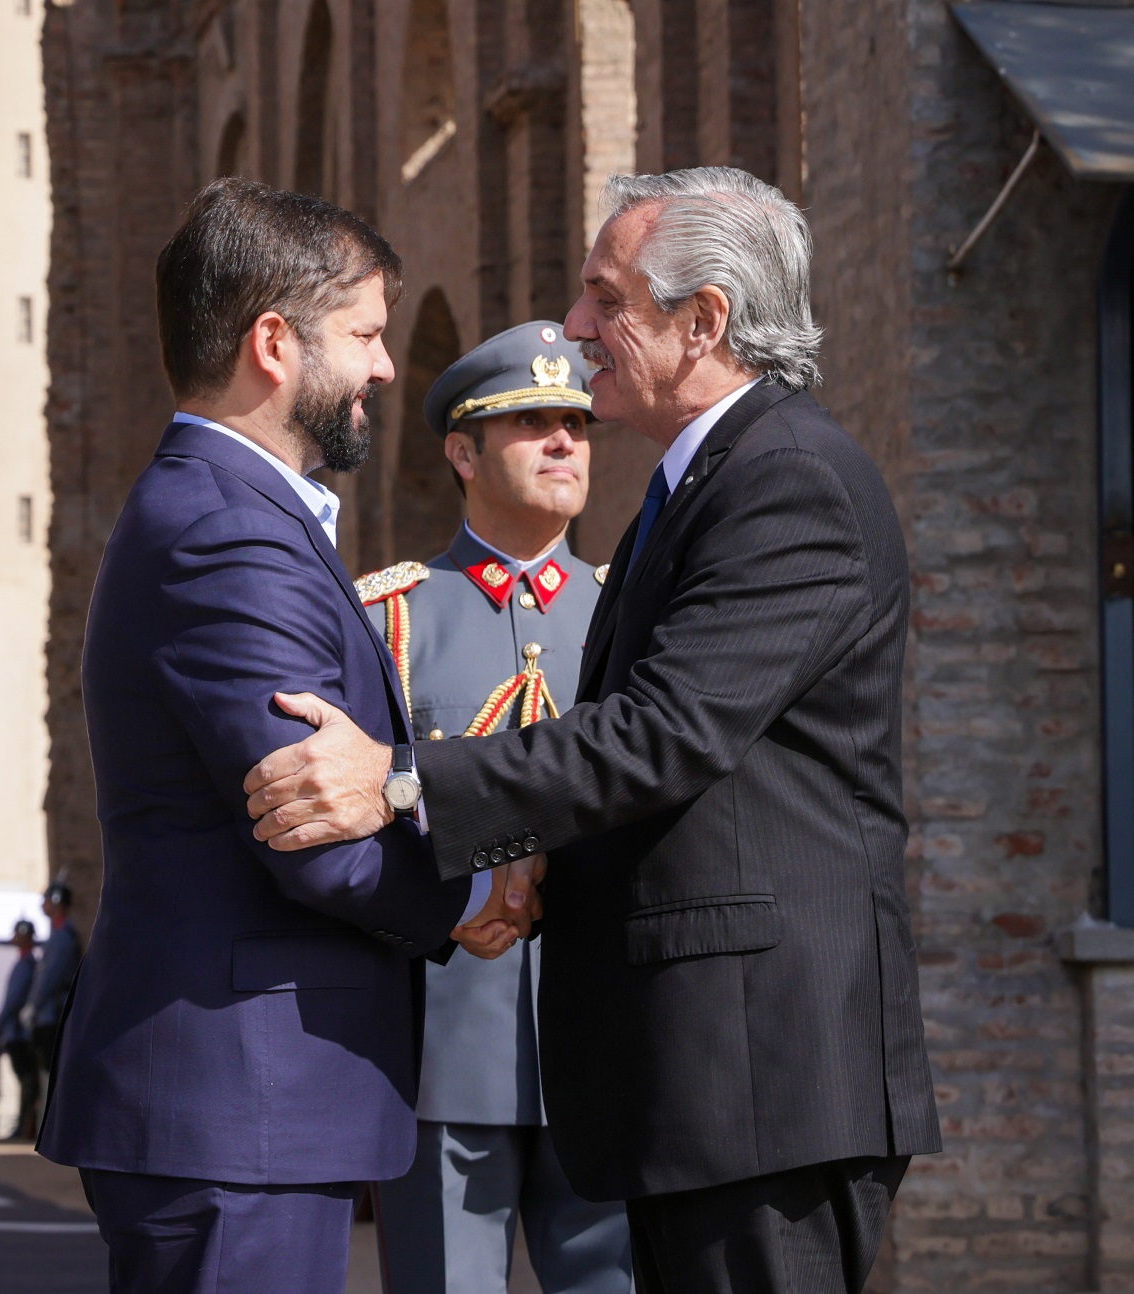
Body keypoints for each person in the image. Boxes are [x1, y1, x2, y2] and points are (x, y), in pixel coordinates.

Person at [244, 166, 941, 1294]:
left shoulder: (786, 481)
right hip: (692, 1076)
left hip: (759, 1080)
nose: (573, 328)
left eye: (602, 298)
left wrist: (403, 783)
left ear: (703, 320)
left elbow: (661, 734)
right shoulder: (706, 481)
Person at [35, 177, 531, 1294]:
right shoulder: (227, 533)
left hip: (241, 1106)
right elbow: (311, 820)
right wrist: (468, 900)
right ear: (274, 342)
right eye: (363, 333)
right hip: (237, 1104)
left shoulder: (230, 514)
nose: (385, 367)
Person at [357, 323, 631, 1294]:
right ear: (461, 451)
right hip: (441, 1046)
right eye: (530, 423)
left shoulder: (625, 615)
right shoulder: (388, 618)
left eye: (574, 423)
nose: (562, 441)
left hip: (606, 1037)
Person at [0, 919, 40, 1140]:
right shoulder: (26, 963)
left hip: (18, 1033)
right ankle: (24, 1125)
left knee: (26, 1080)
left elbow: (12, 1001)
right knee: (25, 1080)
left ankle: (24, 1126)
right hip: (17, 1031)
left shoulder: (26, 965)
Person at [29, 881, 80, 1085]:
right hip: (49, 1012)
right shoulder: (57, 935)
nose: (44, 904)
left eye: (48, 900)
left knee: (51, 1073)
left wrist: (34, 1005)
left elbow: (50, 977)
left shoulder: (62, 938)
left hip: (53, 1013)